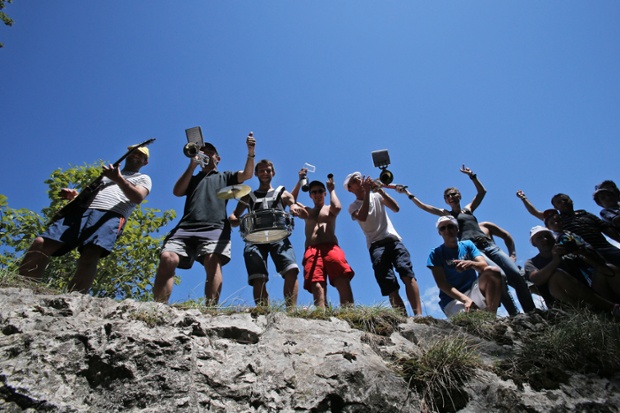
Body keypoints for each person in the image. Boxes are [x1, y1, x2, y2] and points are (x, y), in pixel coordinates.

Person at [400, 165, 535, 313]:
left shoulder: (468, 209)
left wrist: (472, 176)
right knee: (499, 276)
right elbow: (424, 207)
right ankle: (514, 314)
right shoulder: (447, 215)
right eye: (447, 196)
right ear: (445, 201)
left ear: (459, 196)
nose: (451, 197)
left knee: (515, 274)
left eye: (453, 194)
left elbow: (482, 192)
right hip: (474, 249)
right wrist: (408, 193)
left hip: (488, 244)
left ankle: (531, 311)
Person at [19, 144, 152, 293]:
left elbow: (137, 197)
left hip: (111, 215)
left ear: (145, 162)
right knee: (42, 243)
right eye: (133, 152)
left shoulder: (143, 178)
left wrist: (119, 179)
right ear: (127, 155)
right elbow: (94, 195)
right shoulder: (106, 176)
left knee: (90, 254)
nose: (136, 155)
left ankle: (73, 299)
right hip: (82, 211)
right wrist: (75, 197)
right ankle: (23, 288)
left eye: (141, 155)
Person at [153, 133, 255, 305]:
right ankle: (158, 308)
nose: (205, 154)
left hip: (215, 227)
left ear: (218, 158)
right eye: (202, 151)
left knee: (212, 261)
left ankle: (210, 310)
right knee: (168, 258)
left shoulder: (226, 176)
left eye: (210, 152)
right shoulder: (192, 178)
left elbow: (247, 175)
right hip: (185, 227)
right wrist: (192, 165)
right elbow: (177, 192)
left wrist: (250, 151)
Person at [344, 172, 422, 316]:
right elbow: (363, 216)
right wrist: (368, 192)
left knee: (407, 274)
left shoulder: (377, 196)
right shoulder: (352, 206)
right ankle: (404, 320)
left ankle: (419, 316)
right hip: (376, 245)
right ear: (350, 188)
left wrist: (379, 190)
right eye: (355, 181)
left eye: (360, 178)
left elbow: (395, 208)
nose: (360, 181)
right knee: (389, 285)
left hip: (393, 240)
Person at [228, 159, 303, 308]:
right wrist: (235, 220)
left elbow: (292, 203)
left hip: (279, 235)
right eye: (261, 170)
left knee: (291, 270)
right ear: (256, 173)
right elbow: (234, 215)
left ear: (273, 173)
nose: (265, 173)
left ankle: (291, 312)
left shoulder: (283, 193)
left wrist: (294, 208)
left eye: (268, 170)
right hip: (255, 238)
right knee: (258, 277)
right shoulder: (248, 196)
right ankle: (263, 312)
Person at [524, 226, 620, 316]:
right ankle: (610, 308)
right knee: (557, 275)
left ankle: (606, 306)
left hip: (590, 295)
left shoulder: (568, 254)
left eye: (547, 236)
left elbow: (599, 265)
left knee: (608, 268)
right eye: (539, 238)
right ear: (534, 243)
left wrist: (582, 252)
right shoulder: (532, 262)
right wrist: (555, 260)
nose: (544, 240)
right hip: (566, 306)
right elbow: (536, 279)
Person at [516, 190, 620, 268]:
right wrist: (523, 198)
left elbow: (605, 228)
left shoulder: (585, 214)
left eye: (565, 200)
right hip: (584, 254)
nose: (563, 202)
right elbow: (535, 212)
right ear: (555, 207)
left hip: (606, 247)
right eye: (558, 202)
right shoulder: (557, 220)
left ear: (571, 201)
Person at [295, 177, 355, 309]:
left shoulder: (329, 209)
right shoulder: (307, 211)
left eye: (320, 191)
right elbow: (289, 200)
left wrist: (332, 189)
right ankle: (322, 314)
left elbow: (338, 207)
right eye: (314, 192)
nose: (317, 194)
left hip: (330, 247)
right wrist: (300, 182)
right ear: (310, 195)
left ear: (324, 193)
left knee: (341, 278)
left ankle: (350, 313)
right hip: (311, 249)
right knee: (316, 283)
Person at [427, 216, 502, 317]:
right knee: (472, 318)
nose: (447, 230)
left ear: (457, 229)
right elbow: (441, 283)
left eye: (450, 226)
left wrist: (471, 264)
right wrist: (465, 300)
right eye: (442, 228)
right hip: (452, 299)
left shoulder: (467, 245)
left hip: (473, 290)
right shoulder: (435, 253)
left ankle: (492, 317)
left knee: (493, 271)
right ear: (439, 232)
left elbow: (484, 266)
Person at [478, 221, 520, 315]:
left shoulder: (484, 225)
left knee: (518, 277)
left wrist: (512, 254)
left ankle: (531, 311)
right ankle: (514, 314)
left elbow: (506, 235)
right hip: (481, 257)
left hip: (493, 251)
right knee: (498, 278)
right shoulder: (457, 232)